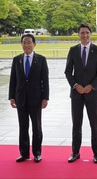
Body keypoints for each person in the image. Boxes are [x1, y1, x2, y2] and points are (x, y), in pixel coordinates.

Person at [65, 23, 97, 163]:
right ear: (78, 34)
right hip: (76, 94)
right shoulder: (73, 50)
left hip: (92, 93)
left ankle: (96, 153)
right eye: (82, 33)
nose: (85, 35)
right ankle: (75, 152)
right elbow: (68, 72)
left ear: (91, 34)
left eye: (87, 33)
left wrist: (91, 86)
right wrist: (75, 85)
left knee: (94, 124)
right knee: (76, 124)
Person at [8, 33, 49, 163]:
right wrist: (11, 97)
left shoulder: (41, 60)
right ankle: (24, 153)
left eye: (29, 42)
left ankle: (37, 153)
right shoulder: (17, 59)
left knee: (36, 127)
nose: (26, 45)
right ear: (21, 44)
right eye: (24, 42)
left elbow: (45, 81)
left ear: (34, 44)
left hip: (36, 99)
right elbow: (13, 80)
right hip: (20, 99)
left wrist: (45, 98)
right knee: (23, 127)